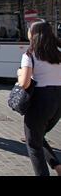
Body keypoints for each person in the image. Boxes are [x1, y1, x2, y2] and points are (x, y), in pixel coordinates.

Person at [17, 21, 61, 176]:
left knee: (33, 143)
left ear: (34, 34)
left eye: (29, 29)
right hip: (58, 100)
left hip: (40, 100)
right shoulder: (59, 51)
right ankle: (57, 165)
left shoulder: (30, 54)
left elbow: (24, 83)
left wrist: (20, 73)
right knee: (38, 135)